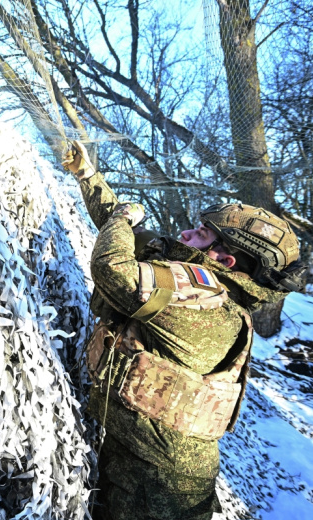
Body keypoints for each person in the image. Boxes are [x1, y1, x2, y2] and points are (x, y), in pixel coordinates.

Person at [62, 141, 306, 520]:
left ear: (224, 260)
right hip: (146, 461)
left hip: (159, 488)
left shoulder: (202, 298)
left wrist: (124, 217)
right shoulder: (205, 287)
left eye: (201, 234)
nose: (186, 233)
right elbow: (131, 233)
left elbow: (114, 268)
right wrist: (88, 175)